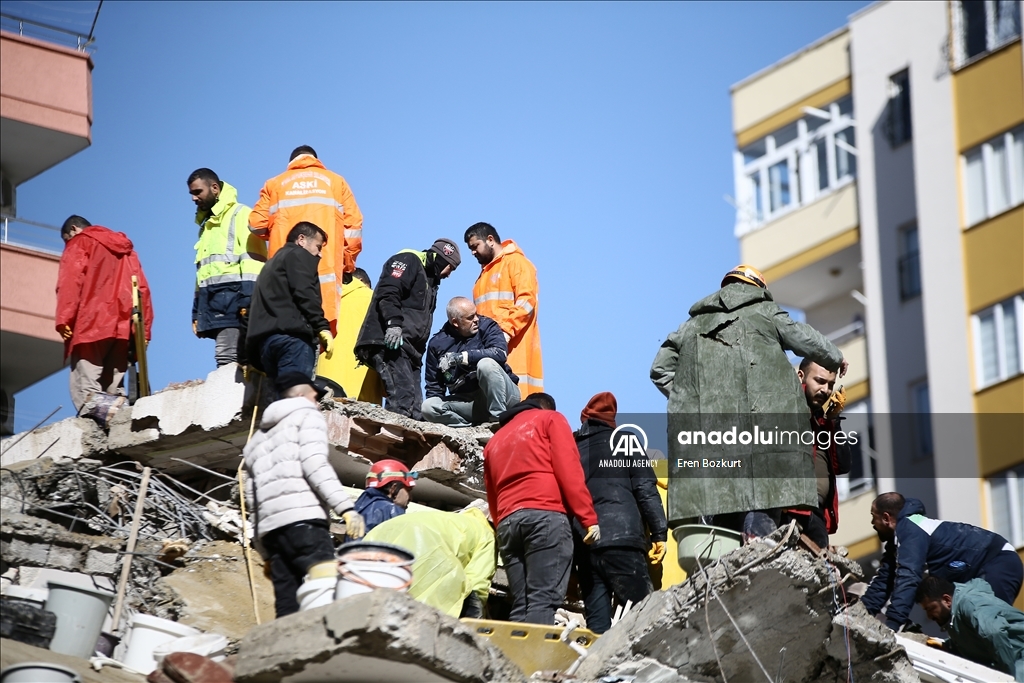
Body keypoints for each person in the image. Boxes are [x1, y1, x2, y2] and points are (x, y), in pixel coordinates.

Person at [649, 265, 846, 534]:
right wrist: (835, 357)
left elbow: (660, 370)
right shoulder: (766, 313)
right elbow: (804, 339)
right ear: (759, 289)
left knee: (726, 502)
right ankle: (759, 549)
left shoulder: (691, 327)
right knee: (766, 496)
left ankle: (733, 554)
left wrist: (696, 401)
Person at [243, 378, 365, 618]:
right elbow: (315, 464)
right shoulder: (307, 416)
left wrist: (264, 550)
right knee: (327, 589)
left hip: (272, 536)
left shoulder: (256, 440)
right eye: (315, 398)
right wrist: (346, 508)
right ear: (302, 396)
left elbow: (251, 499)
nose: (318, 404)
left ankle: (287, 652)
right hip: (304, 522)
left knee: (287, 604)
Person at [484, 393, 600, 625]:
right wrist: (588, 518)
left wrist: (501, 524)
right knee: (541, 601)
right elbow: (569, 471)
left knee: (521, 602)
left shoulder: (495, 440)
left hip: (508, 522)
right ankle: (535, 662)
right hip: (545, 515)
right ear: (546, 407)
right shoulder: (550, 419)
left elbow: (491, 491)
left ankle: (512, 659)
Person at [572, 392, 668, 634]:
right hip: (623, 539)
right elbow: (645, 489)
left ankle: (598, 671)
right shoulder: (625, 440)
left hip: (586, 543)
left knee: (597, 628)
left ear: (585, 419)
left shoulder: (573, 448)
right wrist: (659, 533)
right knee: (642, 619)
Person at [863, 492, 1024, 631]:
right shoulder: (899, 542)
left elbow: (908, 576)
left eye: (873, 517)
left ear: (885, 517)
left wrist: (892, 624)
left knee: (991, 624)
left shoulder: (910, 528)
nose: (872, 523)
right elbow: (884, 582)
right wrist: (862, 612)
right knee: (973, 626)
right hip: (988, 566)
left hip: (998, 562)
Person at [249, 145, 363, 328]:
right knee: (317, 336)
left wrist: (277, 229)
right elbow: (353, 229)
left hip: (283, 278)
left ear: (291, 162)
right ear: (316, 160)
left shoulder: (275, 184)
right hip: (324, 277)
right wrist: (346, 264)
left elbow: (256, 225)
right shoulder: (336, 182)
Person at [55, 215, 153, 421]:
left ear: (74, 229)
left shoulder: (79, 243)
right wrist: (143, 332)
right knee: (113, 389)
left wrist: (64, 318)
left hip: (91, 324)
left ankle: (99, 430)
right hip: (123, 328)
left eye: (66, 239)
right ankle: (119, 424)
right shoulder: (127, 250)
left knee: (86, 390)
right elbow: (142, 289)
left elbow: (70, 282)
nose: (67, 245)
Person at [354, 239, 461, 419]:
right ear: (441, 259)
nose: (449, 274)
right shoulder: (408, 260)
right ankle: (392, 441)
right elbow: (388, 293)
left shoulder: (431, 281)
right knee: (402, 398)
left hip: (410, 351)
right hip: (390, 342)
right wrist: (393, 325)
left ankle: (407, 445)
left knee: (416, 410)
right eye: (450, 267)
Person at [187, 168, 266, 366]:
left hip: (235, 300)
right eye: (192, 194)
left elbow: (254, 261)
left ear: (215, 188)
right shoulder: (207, 226)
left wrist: (249, 301)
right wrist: (197, 311)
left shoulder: (240, 214)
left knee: (227, 358)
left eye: (198, 192)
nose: (194, 199)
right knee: (232, 358)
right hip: (215, 301)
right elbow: (204, 273)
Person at [245, 222, 335, 395]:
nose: (320, 254)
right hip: (292, 340)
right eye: (318, 246)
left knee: (282, 401)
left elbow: (250, 310)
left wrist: (246, 356)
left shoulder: (270, 265)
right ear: (301, 240)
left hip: (266, 346)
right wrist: (322, 327)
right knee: (296, 401)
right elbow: (304, 292)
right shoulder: (298, 255)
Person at [364, 500, 496, 618]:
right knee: (418, 624)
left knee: (366, 612)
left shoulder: (449, 520)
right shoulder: (486, 534)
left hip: (380, 534)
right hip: (425, 549)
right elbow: (478, 584)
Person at [464, 222, 543, 398]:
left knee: (518, 402)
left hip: (514, 348)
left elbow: (527, 301)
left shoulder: (517, 263)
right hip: (491, 351)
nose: (473, 252)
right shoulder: (482, 278)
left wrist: (505, 332)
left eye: (475, 246)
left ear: (490, 240)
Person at [782, 359, 851, 548]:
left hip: (816, 511)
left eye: (830, 384)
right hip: (789, 508)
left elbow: (842, 465)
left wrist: (833, 422)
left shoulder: (822, 420)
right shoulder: (788, 405)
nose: (826, 390)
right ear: (800, 377)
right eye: (820, 381)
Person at [422, 297, 520, 427]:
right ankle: (466, 428)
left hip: (504, 396)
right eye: (470, 318)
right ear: (455, 322)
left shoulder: (487, 326)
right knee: (428, 407)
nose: (476, 319)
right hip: (470, 403)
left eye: (476, 314)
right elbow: (434, 388)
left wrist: (464, 357)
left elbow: (500, 354)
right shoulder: (437, 344)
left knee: (486, 364)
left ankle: (498, 421)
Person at [916, 576, 1024, 681]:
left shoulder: (970, 604)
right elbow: (973, 640)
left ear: (946, 600)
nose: (929, 616)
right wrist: (947, 647)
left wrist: (1006, 677)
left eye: (930, 608)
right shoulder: (955, 614)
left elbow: (993, 632)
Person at [317, 267, 384, 402]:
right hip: (361, 390)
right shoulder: (373, 299)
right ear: (360, 280)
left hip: (321, 383)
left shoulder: (325, 297)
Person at [353, 459, 417, 534]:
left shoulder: (357, 509)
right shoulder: (390, 510)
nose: (410, 498)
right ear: (393, 488)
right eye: (408, 490)